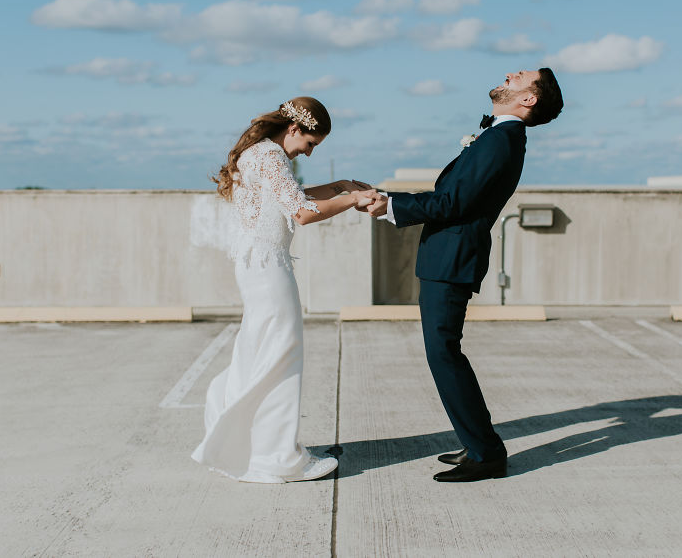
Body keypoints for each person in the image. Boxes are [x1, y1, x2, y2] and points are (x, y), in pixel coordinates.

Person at [364, 68, 564, 482]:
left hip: (453, 259)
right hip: (447, 257)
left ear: (528, 99)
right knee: (444, 353)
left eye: (520, 76)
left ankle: (486, 451)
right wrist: (389, 200)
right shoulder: (498, 138)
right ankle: (478, 442)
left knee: (444, 354)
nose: (509, 74)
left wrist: (388, 205)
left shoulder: (501, 140)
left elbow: (451, 202)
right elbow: (453, 198)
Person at [191, 97, 372, 483]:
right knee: (281, 356)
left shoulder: (258, 153)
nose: (308, 153)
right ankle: (278, 457)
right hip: (268, 266)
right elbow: (303, 213)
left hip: (254, 263)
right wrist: (353, 198)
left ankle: (245, 445)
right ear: (294, 129)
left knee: (259, 353)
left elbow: (293, 197)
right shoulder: (272, 156)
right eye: (310, 144)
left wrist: (340, 186)